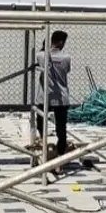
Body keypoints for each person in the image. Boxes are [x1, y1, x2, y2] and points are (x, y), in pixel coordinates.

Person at [35, 30, 72, 173]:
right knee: (61, 128)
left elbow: (40, 55)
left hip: (45, 97)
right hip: (61, 97)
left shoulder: (41, 56)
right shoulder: (66, 58)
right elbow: (66, 71)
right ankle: (60, 159)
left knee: (40, 121)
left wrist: (46, 47)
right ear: (61, 42)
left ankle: (43, 145)